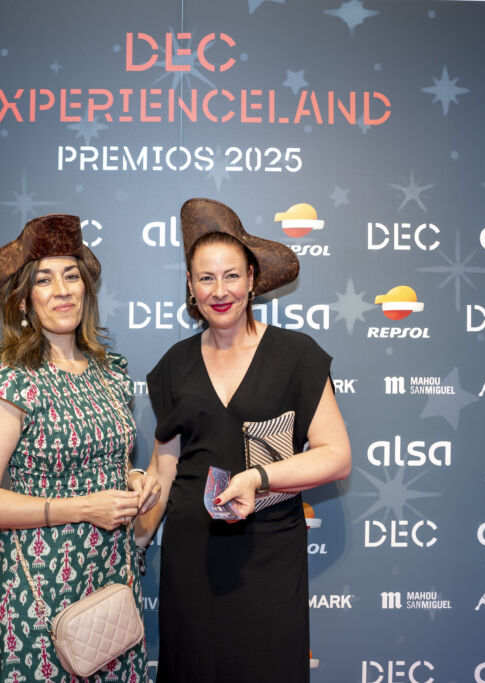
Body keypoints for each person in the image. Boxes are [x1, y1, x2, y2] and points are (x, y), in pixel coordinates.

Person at [137, 198, 352, 682]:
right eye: (206, 278)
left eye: (231, 275)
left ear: (252, 279)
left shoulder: (297, 355)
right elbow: (164, 469)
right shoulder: (174, 365)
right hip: (191, 563)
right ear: (190, 285)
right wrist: (135, 542)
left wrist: (259, 477)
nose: (220, 291)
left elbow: (336, 456)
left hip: (268, 561)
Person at [0, 214, 160, 683]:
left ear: (86, 289)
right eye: (44, 280)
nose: (63, 290)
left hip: (113, 584)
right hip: (40, 592)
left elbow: (108, 461)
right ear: (23, 300)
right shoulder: (9, 384)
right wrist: (83, 507)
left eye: (72, 276)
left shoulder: (109, 372)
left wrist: (133, 480)